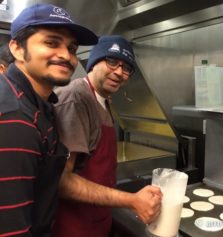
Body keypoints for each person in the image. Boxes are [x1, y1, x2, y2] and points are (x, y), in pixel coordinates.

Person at [0, 3, 97, 237]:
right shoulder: (14, 117)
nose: (66, 55)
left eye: (72, 48)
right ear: (17, 48)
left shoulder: (40, 104)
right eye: (51, 43)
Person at [52, 35, 162, 237]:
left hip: (96, 221)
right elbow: (62, 181)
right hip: (74, 227)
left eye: (127, 67)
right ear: (94, 62)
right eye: (112, 61)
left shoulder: (104, 99)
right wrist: (131, 200)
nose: (119, 72)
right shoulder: (76, 98)